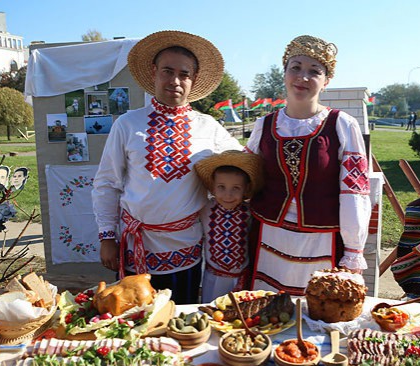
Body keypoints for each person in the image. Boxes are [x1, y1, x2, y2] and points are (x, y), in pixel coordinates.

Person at [92, 30, 241, 305]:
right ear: (154, 72)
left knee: (180, 319)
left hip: (185, 248)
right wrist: (107, 237)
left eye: (184, 74)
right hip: (136, 246)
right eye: (167, 71)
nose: (175, 81)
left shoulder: (208, 127)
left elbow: (245, 163)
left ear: (193, 79)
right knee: (136, 324)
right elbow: (106, 183)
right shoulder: (128, 124)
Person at [245, 35, 371, 296]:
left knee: (317, 308)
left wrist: (353, 250)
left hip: (321, 239)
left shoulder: (342, 124)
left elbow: (355, 192)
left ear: (326, 82)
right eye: (296, 68)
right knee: (266, 309)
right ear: (284, 74)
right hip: (268, 235)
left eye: (314, 71)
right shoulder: (263, 125)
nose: (302, 77)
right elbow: (245, 177)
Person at [193, 150, 263, 303]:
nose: (228, 195)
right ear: (212, 187)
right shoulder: (204, 209)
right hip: (213, 276)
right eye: (221, 187)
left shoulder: (250, 212)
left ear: (246, 188)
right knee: (212, 310)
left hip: (241, 277)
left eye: (236, 188)